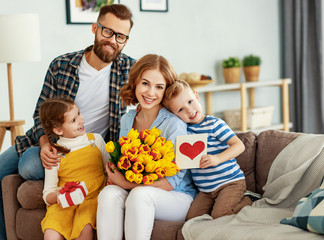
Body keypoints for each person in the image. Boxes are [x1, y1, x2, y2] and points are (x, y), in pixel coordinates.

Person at [0, 4, 135, 239]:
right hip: (56, 140)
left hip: (91, 147)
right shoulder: (62, 65)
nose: (113, 40)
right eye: (107, 32)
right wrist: (44, 144)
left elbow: (160, 85)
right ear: (95, 28)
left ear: (125, 40)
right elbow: (39, 115)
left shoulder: (130, 71)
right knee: (14, 166)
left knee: (30, 168)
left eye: (120, 36)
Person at [96, 54, 197, 240]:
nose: (151, 92)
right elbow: (122, 162)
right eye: (145, 83)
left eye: (159, 87)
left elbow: (172, 182)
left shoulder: (174, 124)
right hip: (138, 190)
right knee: (108, 194)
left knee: (139, 195)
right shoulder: (126, 120)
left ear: (166, 90)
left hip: (177, 196)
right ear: (134, 82)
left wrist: (127, 184)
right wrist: (113, 172)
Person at [163, 79, 251, 220]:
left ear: (196, 96)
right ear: (174, 115)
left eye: (190, 101)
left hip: (230, 182)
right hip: (205, 190)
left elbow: (239, 145)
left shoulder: (214, 124)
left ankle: (248, 201)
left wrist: (217, 158)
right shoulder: (184, 131)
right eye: (181, 109)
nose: (189, 110)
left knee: (220, 215)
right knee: (192, 219)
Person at [39, 97, 108, 240]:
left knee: (85, 228)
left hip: (91, 200)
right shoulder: (55, 154)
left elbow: (109, 171)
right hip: (64, 204)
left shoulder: (96, 140)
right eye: (73, 120)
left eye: (79, 113)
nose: (81, 120)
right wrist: (58, 196)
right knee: (51, 232)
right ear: (58, 130)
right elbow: (48, 194)